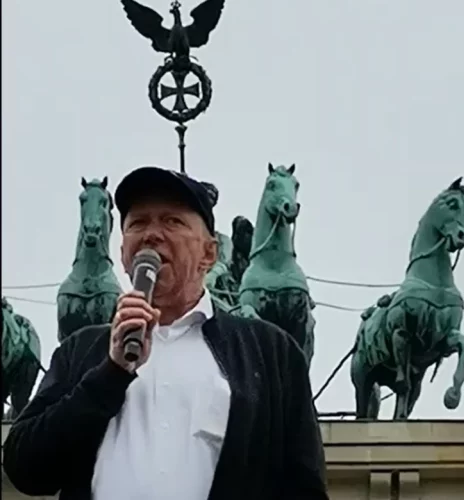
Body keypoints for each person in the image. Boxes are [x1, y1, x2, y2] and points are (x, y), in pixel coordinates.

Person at [3, 166, 329, 500]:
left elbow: (305, 485)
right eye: (138, 223)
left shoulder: (270, 352)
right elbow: (25, 466)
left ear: (209, 254)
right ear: (123, 255)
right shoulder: (83, 349)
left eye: (172, 221)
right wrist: (110, 375)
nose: (151, 234)